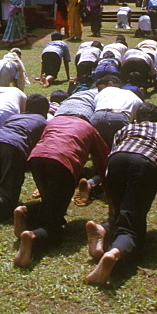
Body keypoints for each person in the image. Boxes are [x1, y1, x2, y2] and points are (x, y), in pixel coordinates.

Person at [85, 102, 157, 285]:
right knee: (133, 228)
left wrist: (112, 210)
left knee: (123, 213)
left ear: (136, 120)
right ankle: (113, 254)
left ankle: (103, 228)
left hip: (116, 160)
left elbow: (109, 168)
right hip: (145, 163)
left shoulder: (126, 129)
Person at [13, 114, 109, 267]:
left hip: (37, 158)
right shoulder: (90, 129)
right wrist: (108, 190)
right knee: (54, 223)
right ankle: (32, 237)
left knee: (50, 201)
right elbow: (104, 163)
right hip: (63, 163)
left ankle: (26, 211)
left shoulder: (55, 120)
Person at [0, 95, 49, 229]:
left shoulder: (15, 117)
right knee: (9, 200)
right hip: (13, 148)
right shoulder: (43, 122)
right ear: (45, 111)